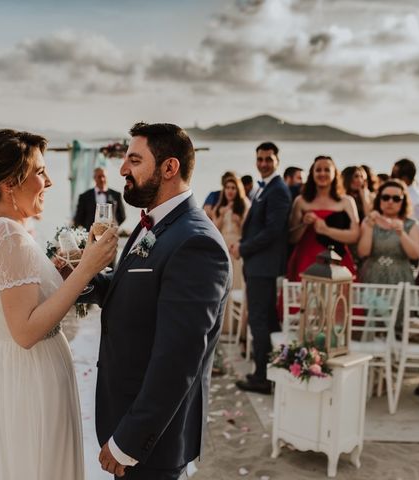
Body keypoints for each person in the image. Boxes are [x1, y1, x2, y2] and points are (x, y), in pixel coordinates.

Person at [0, 129, 118, 479]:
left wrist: (66, 268)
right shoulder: (10, 237)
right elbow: (26, 330)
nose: (48, 181)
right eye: (39, 171)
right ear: (8, 183)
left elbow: (17, 300)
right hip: (31, 371)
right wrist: (89, 269)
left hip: (7, 368)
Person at [89, 122, 231, 479]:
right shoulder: (153, 223)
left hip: (153, 443)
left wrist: (129, 441)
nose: (122, 169)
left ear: (170, 167)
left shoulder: (196, 244)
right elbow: (131, 290)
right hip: (125, 413)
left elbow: (178, 359)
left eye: (134, 160)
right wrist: (80, 280)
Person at [230, 142, 290, 394]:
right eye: (260, 159)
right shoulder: (263, 189)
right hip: (258, 265)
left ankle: (262, 376)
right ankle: (276, 371)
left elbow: (273, 232)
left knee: (259, 321)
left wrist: (244, 247)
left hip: (263, 266)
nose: (263, 163)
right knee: (266, 320)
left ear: (277, 160)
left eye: (268, 159)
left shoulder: (277, 190)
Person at [288, 156, 359, 280]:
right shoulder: (301, 201)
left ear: (334, 173)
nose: (322, 173)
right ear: (312, 173)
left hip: (337, 261)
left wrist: (326, 230)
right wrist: (304, 224)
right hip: (306, 259)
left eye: (327, 170)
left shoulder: (346, 201)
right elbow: (292, 238)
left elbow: (355, 235)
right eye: (318, 170)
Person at [358, 179, 419, 287]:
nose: (390, 202)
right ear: (379, 199)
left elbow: (415, 255)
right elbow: (363, 253)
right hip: (372, 277)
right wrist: (369, 227)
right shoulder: (369, 221)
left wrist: (401, 233)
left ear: (403, 201)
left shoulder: (411, 224)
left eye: (396, 199)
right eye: (385, 197)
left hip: (401, 280)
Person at [210, 175, 249, 337]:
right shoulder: (220, 206)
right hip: (224, 247)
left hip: (237, 248)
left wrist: (238, 220)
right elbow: (214, 227)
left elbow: (247, 230)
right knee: (223, 285)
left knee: (237, 285)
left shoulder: (244, 205)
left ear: (237, 190)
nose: (230, 191)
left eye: (233, 188)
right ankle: (224, 327)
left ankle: (237, 327)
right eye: (227, 188)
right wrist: (221, 214)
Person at [73, 167, 126, 232]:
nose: (102, 179)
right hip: (90, 234)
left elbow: (122, 216)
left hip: (110, 234)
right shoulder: (84, 196)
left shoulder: (116, 195)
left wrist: (113, 226)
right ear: (94, 178)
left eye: (104, 176)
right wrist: (89, 228)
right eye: (99, 177)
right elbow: (78, 218)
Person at [392, 158, 419, 236]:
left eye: (393, 174)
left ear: (405, 178)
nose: (390, 178)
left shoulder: (418, 202)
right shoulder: (389, 195)